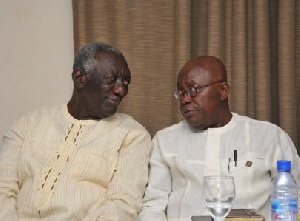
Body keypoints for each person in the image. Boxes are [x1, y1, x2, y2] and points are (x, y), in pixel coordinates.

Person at [0, 42, 151, 220]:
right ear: (80, 78)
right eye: (111, 81)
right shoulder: (29, 122)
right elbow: (3, 188)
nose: (121, 90)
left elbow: (122, 205)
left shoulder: (132, 135)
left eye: (126, 83)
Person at [138, 56, 300, 221]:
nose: (185, 99)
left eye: (193, 90)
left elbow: (295, 201)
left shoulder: (268, 136)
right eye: (181, 92)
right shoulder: (165, 141)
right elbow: (152, 207)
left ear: (223, 91)